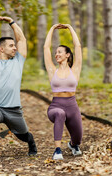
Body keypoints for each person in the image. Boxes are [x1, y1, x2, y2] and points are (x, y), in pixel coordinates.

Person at [0, 16, 37, 161]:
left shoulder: (18, 61)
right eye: (11, 45)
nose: (15, 48)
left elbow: (22, 41)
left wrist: (12, 22)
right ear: (1, 48)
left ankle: (31, 142)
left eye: (14, 45)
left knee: (23, 136)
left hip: (14, 110)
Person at [43, 23, 83, 160]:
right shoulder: (52, 70)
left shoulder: (75, 70)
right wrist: (52, 28)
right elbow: (45, 48)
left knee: (78, 138)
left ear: (67, 55)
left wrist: (71, 28)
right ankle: (57, 150)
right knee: (59, 114)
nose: (56, 54)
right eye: (56, 53)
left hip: (72, 105)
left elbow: (77, 47)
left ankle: (73, 145)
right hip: (56, 105)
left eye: (59, 52)